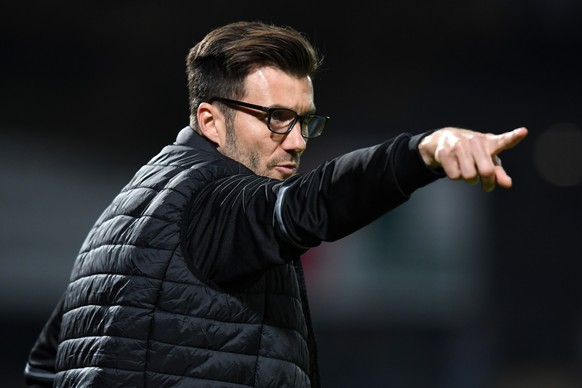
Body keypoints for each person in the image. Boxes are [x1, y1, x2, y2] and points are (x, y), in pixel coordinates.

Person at [24, 20, 528, 387]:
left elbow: (45, 366)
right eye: (276, 118)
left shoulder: (130, 211)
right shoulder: (212, 201)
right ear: (210, 120)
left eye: (305, 121)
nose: (297, 141)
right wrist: (423, 152)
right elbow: (314, 202)